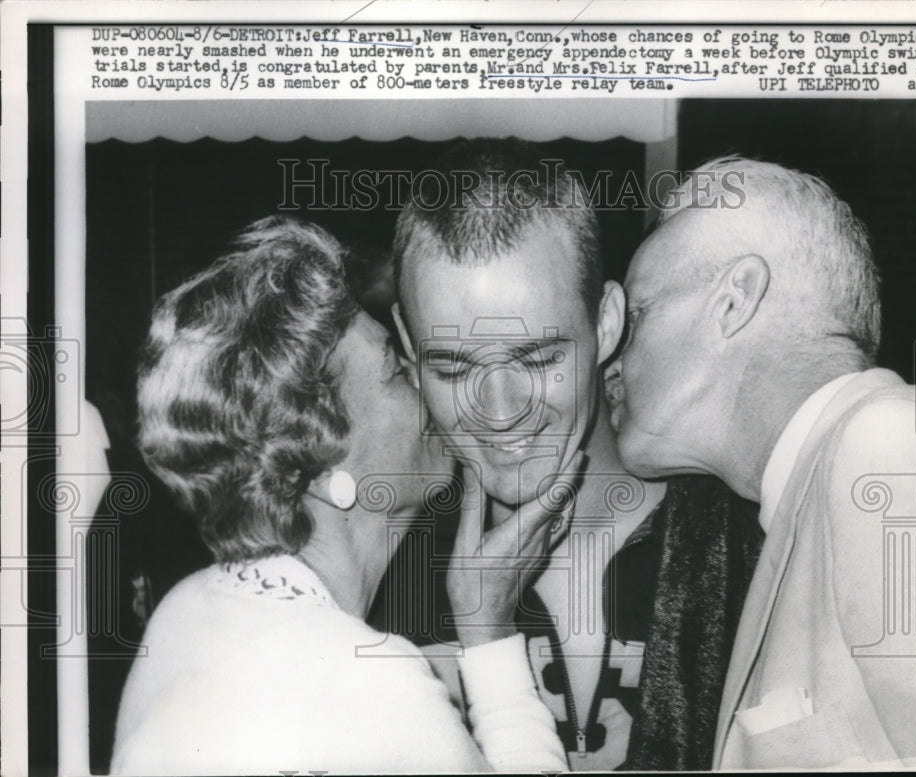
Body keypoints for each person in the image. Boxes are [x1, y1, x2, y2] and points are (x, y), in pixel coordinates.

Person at [110, 216, 571, 775]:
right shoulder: (370, 680)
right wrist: (489, 631)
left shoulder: (185, 607)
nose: (426, 383)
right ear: (324, 467)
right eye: (395, 371)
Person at [392, 139, 762, 770]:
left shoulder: (746, 541)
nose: (500, 411)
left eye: (538, 360)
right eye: (453, 369)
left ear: (607, 322)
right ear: (406, 343)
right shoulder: (382, 570)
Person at [609, 157, 916, 768]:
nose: (613, 362)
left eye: (638, 316)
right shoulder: (810, 499)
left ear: (735, 301)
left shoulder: (886, 449)